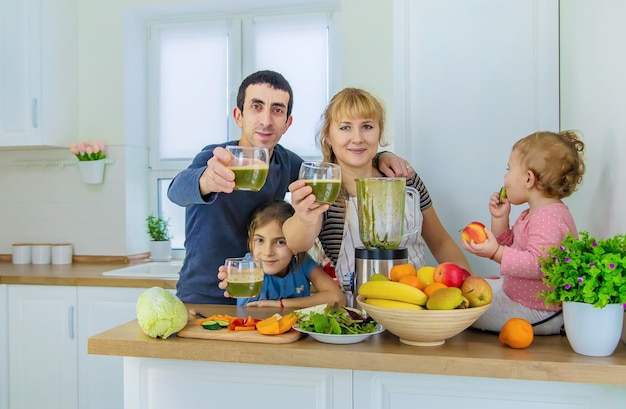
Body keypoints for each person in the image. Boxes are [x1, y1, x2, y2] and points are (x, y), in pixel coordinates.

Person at [168, 70, 412, 304]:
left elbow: (335, 167)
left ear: (287, 123)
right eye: (256, 106)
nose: (266, 120)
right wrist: (206, 180)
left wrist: (380, 158)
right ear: (238, 115)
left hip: (263, 299)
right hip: (205, 298)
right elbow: (176, 191)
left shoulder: (289, 164)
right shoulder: (216, 158)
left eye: (277, 110)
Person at [284, 87, 471, 288]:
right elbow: (296, 244)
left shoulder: (405, 177)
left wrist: (467, 285)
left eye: (367, 126)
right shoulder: (326, 189)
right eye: (345, 127)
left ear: (379, 131)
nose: (357, 138)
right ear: (328, 136)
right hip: (354, 311)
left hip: (416, 302)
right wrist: (304, 216)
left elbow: (441, 242)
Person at [461, 130, 586, 335]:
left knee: (466, 311)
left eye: (508, 169)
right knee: (471, 289)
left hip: (538, 311)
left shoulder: (550, 218)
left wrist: (495, 252)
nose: (505, 176)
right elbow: (512, 246)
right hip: (520, 298)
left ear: (529, 179)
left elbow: (538, 264)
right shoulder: (534, 213)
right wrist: (500, 218)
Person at [217, 200, 346, 308]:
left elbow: (337, 298)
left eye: (279, 242)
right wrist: (236, 275)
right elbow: (243, 272)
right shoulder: (251, 265)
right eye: (260, 240)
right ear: (250, 239)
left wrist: (281, 304)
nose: (267, 252)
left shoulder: (302, 263)